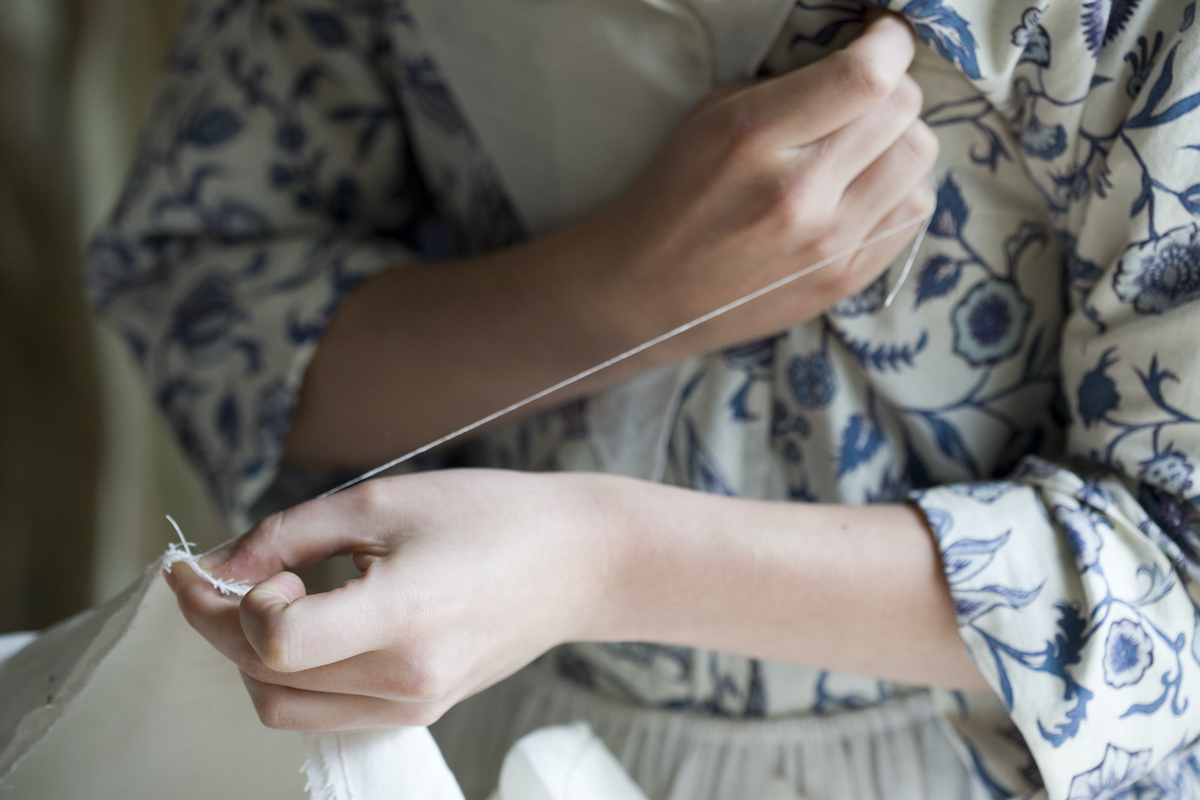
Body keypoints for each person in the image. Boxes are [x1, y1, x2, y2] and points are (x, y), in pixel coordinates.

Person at [89, 0, 1200, 798]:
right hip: (471, 748)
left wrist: (599, 559)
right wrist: (611, 292)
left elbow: (1177, 561)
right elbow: (201, 292)